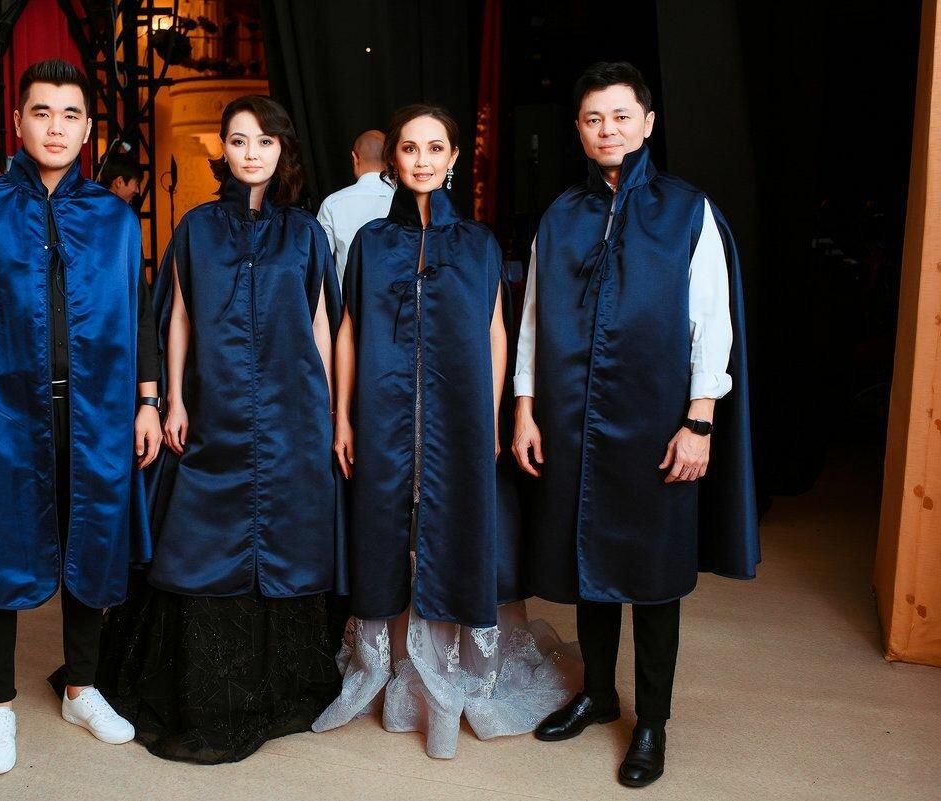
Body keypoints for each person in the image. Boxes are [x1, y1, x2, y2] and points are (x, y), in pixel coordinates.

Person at [512, 62, 759, 787]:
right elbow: (532, 321)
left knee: (652, 579)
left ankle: (651, 721)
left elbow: (711, 322)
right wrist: (525, 409)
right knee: (587, 565)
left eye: (621, 116)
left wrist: (700, 421)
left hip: (655, 422)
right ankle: (597, 693)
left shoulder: (687, 211)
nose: (607, 130)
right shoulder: (560, 216)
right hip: (570, 419)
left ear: (647, 123)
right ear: (579, 130)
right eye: (593, 119)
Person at [311, 105, 577, 760]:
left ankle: (454, 672)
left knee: (454, 526)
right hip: (381, 412)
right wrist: (342, 416)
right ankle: (391, 665)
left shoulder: (478, 243)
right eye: (410, 148)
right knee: (385, 526)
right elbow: (348, 332)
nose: (423, 160)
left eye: (436, 148)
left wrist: (491, 415)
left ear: (454, 158)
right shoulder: (371, 242)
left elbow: (495, 332)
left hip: (460, 415)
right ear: (393, 160)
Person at [0, 59, 163, 776]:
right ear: (18, 121)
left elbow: (139, 315)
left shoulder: (115, 220)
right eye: (42, 112)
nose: (56, 127)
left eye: (70, 115)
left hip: (97, 411)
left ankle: (81, 689)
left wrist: (148, 401)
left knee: (91, 543)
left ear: (88, 130)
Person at [94, 94, 344, 765]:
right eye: (239, 140)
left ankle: (281, 686)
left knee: (286, 539)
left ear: (283, 151)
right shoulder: (196, 227)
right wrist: (171, 400)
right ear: (223, 151)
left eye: (265, 140)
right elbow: (177, 316)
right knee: (199, 535)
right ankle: (203, 686)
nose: (252, 152)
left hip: (293, 409)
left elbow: (321, 325)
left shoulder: (306, 233)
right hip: (212, 406)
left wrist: (328, 411)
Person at [316, 130, 394, 284]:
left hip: (349, 298)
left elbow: (318, 265)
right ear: (392, 159)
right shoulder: (407, 201)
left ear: (355, 158)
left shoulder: (332, 203)